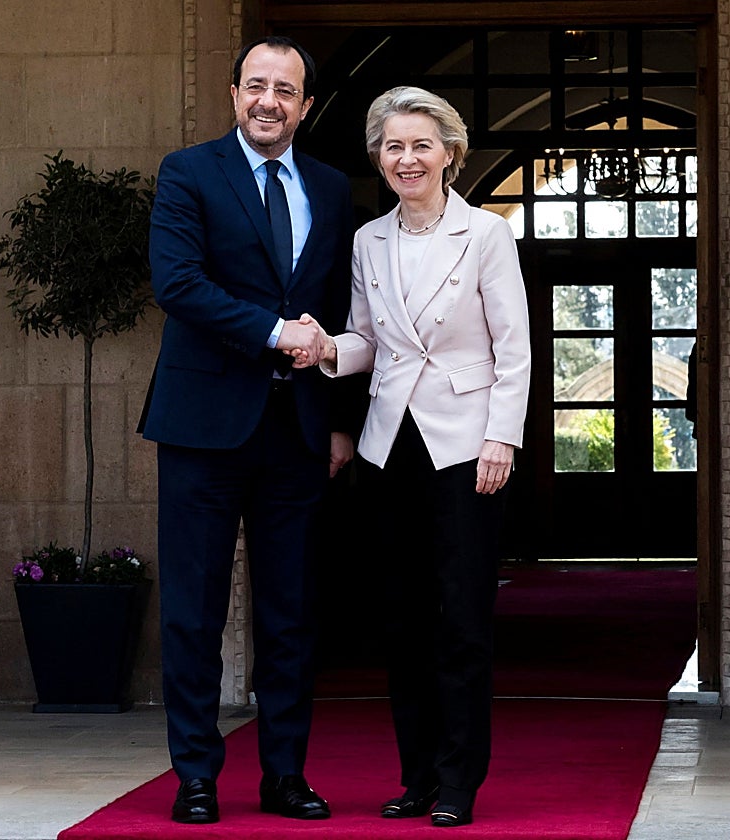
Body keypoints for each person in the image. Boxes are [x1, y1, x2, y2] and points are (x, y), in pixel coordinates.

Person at [294, 86, 531, 827]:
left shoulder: (487, 235)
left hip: (466, 446)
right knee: (401, 621)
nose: (407, 158)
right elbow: (368, 341)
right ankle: (417, 776)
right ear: (379, 157)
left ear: (450, 154)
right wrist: (331, 348)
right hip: (387, 447)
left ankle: (460, 782)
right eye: (393, 146)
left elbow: (515, 348)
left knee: (461, 619)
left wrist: (503, 436)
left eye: (421, 145)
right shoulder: (369, 241)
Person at [136, 35, 355, 825]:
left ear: (304, 104)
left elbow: (344, 308)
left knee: (290, 613)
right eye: (256, 86)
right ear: (234, 95)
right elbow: (179, 284)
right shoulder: (187, 173)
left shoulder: (331, 189)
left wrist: (338, 420)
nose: (269, 101)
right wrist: (273, 331)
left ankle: (284, 775)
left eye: (285, 90)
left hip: (297, 430)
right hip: (202, 427)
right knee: (193, 609)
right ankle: (196, 774)